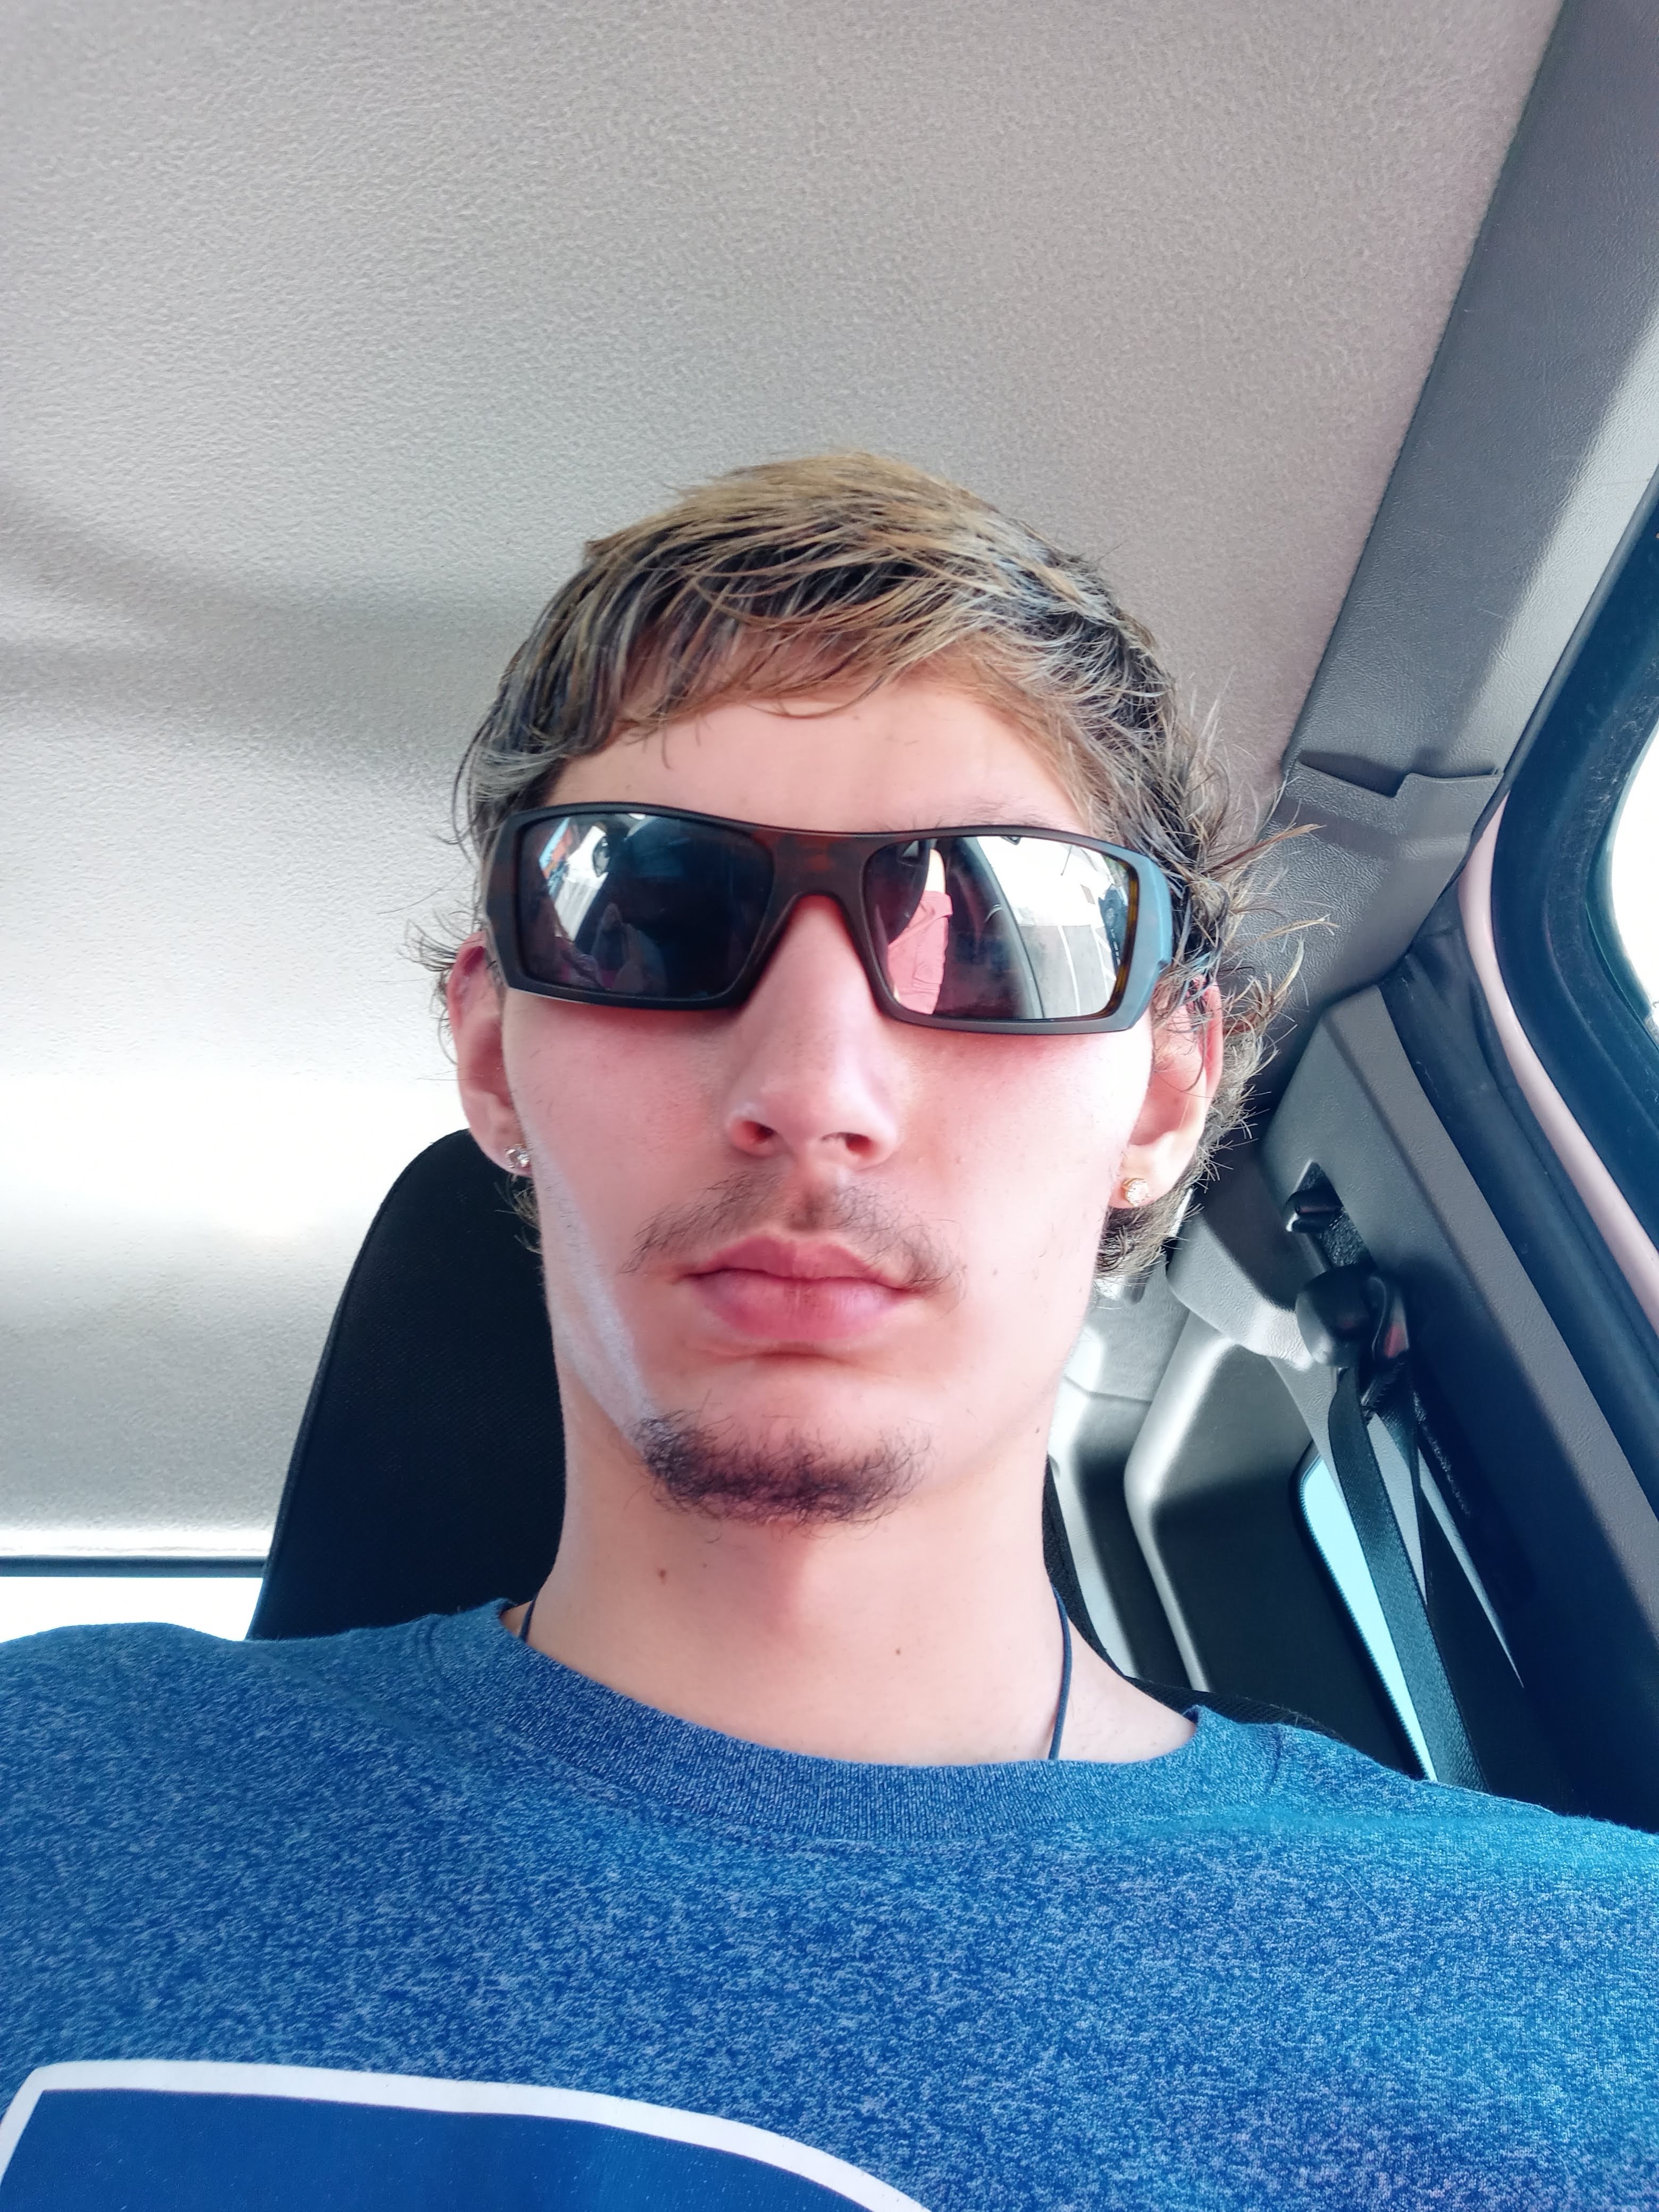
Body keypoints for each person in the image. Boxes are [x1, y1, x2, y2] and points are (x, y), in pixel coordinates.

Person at [2, 455, 1655, 2210]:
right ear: (491, 1052)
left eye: (995, 934)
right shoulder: (52, 1800)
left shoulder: (1592, 2015)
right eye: (646, 918)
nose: (812, 1089)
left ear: (1168, 1091)